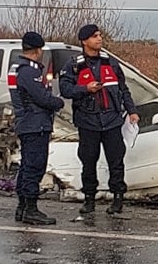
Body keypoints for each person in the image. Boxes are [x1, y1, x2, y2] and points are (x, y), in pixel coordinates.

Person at [59, 24, 139, 215]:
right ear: (84, 41)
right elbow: (65, 90)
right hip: (88, 122)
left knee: (116, 161)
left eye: (100, 35)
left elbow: (123, 89)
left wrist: (132, 110)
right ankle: (89, 199)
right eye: (95, 36)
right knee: (88, 162)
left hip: (112, 121)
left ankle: (118, 198)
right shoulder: (73, 66)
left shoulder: (110, 63)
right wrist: (85, 89)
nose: (100, 39)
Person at [9, 31, 64, 225]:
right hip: (35, 123)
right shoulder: (28, 71)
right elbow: (41, 97)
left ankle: (23, 207)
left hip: (28, 123)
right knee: (34, 167)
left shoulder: (17, 68)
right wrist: (58, 102)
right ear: (38, 50)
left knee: (26, 166)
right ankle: (30, 208)